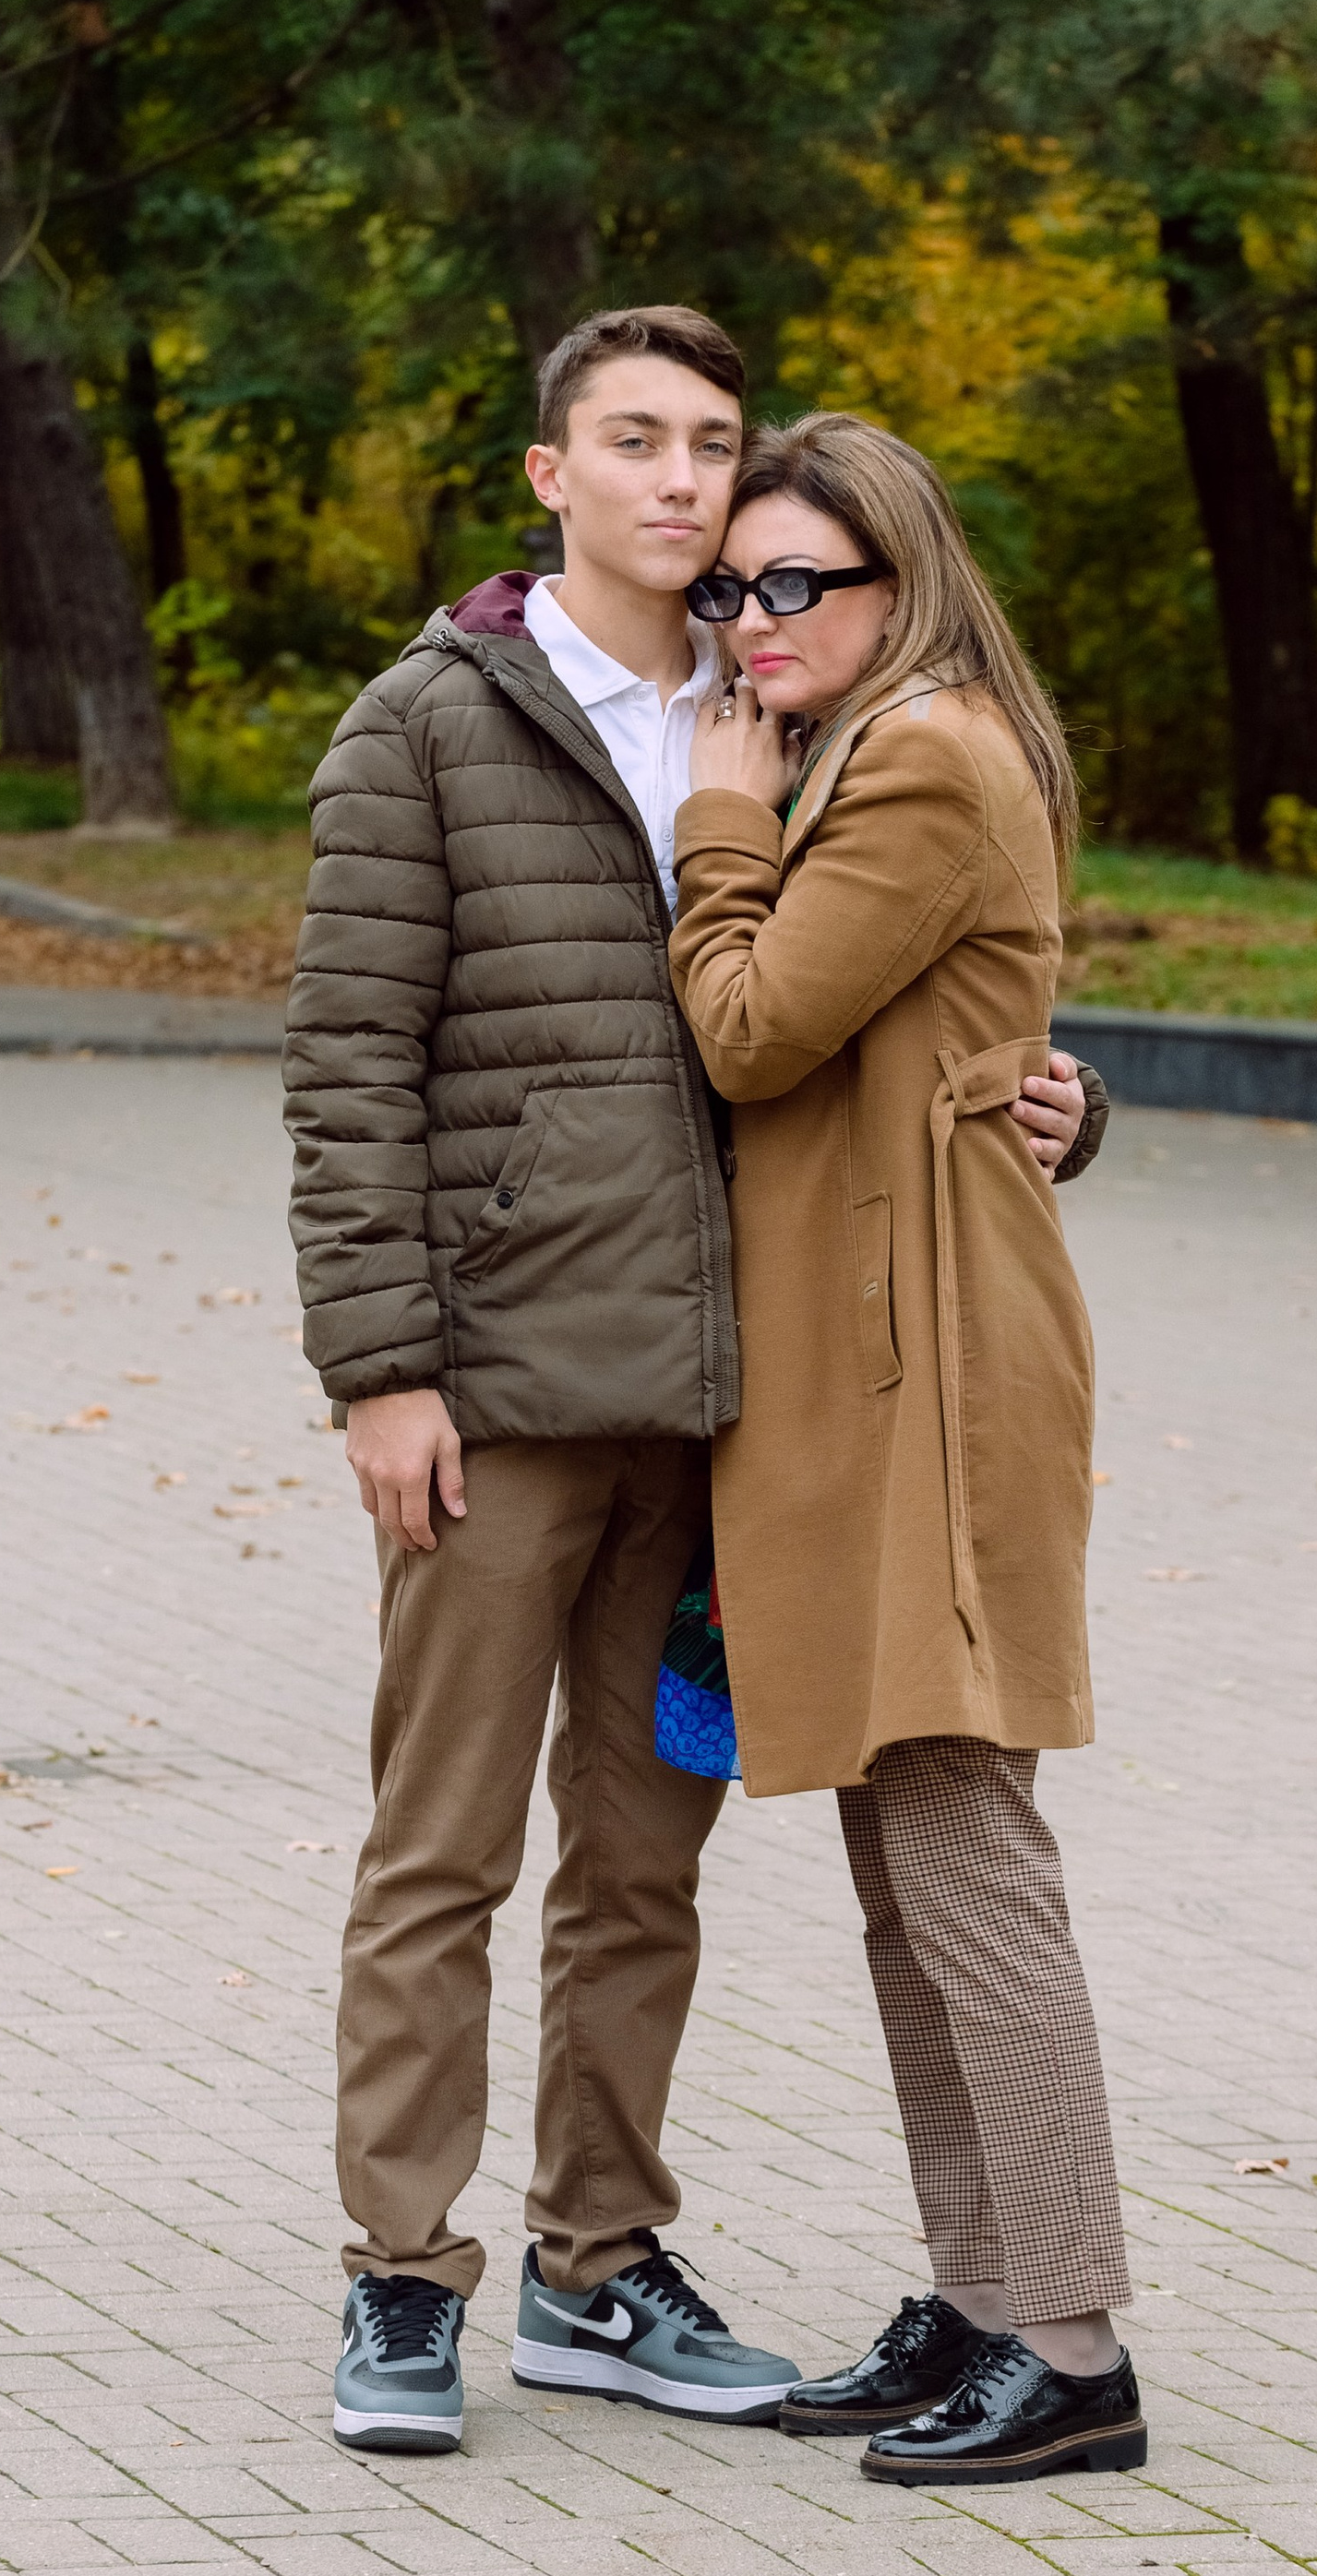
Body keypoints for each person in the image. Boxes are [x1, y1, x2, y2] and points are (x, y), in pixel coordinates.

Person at [282, 307, 1102, 2456]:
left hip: (725, 1415)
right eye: (630, 443)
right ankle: (397, 2276)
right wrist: (380, 1368)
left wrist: (1041, 1102)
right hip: (494, 1386)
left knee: (642, 1870)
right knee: (436, 1851)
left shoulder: (792, 717)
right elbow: (347, 1069)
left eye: (707, 450)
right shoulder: (428, 725)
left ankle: (595, 2266)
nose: (677, 489)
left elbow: (906, 1002)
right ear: (548, 471)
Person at [668, 411, 1143, 2488]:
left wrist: (714, 826)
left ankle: (1075, 2346)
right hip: (874, 1353)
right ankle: (973, 2297)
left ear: (897, 584)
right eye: (732, 588)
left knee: (963, 1854)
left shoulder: (920, 753)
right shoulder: (884, 749)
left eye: (796, 587)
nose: (752, 622)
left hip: (932, 1372)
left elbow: (753, 1026)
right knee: (900, 1863)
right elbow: (950, 1037)